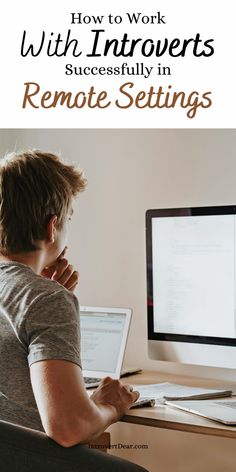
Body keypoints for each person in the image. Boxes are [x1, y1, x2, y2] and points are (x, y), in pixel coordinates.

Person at [0, 150, 148, 472]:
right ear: (52, 227)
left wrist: (42, 293)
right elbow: (68, 428)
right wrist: (109, 405)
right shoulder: (46, 299)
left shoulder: (38, 296)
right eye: (68, 221)